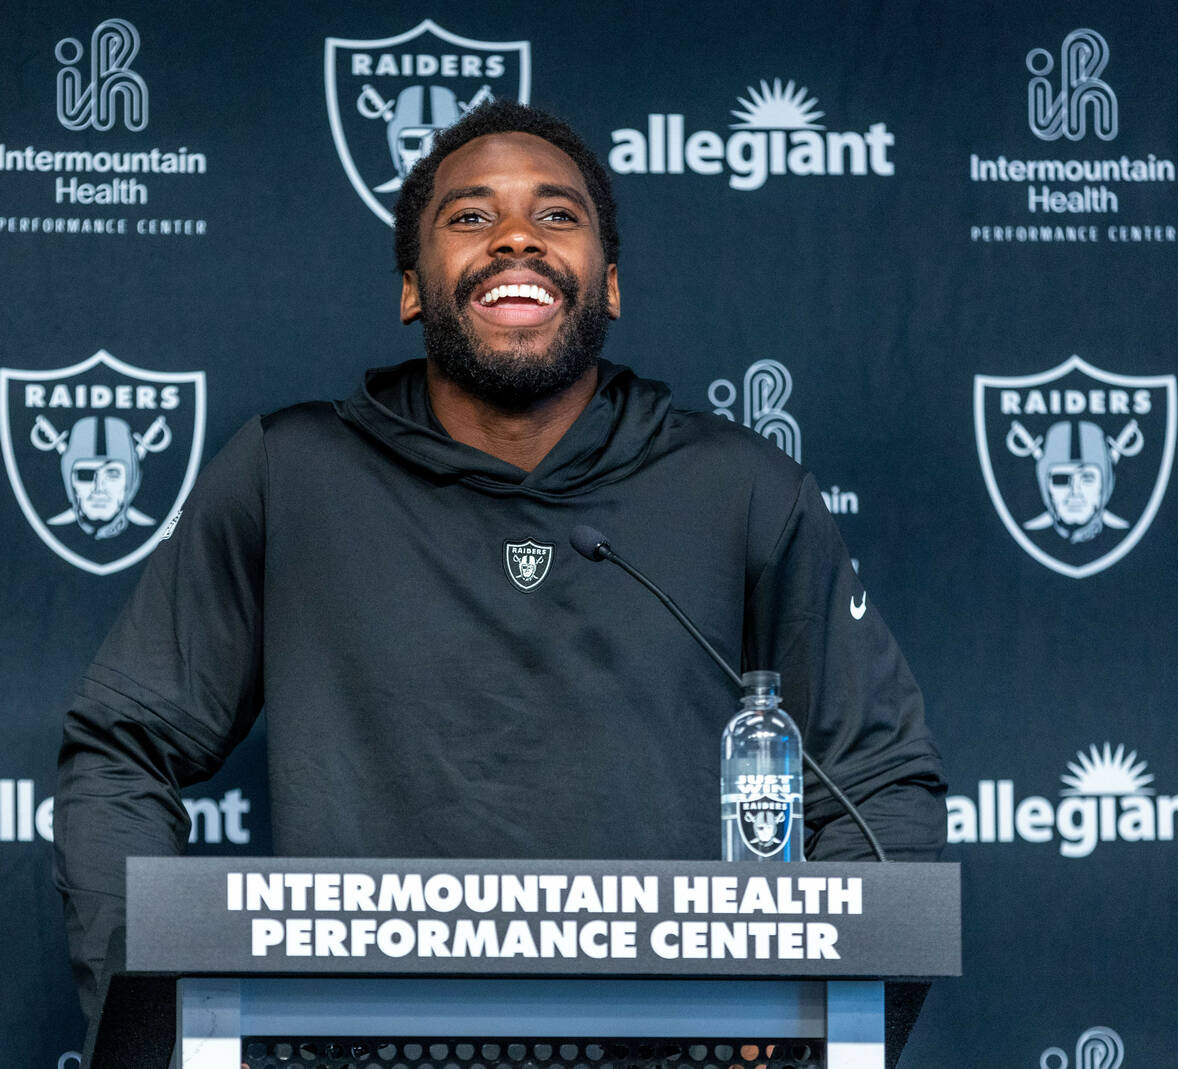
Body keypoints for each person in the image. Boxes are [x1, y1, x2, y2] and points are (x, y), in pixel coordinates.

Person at [54, 100, 946, 1020]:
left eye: (557, 215)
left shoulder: (745, 489)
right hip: (358, 1046)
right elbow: (123, 748)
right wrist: (152, 1018)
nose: (516, 237)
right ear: (412, 287)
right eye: (472, 216)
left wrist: (801, 1022)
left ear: (606, 285)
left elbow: (878, 781)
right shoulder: (288, 475)